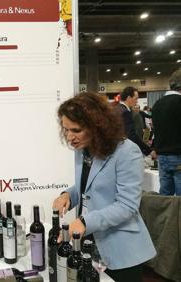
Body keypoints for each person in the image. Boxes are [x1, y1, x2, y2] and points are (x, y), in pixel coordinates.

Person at [53, 93, 156, 282]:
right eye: (66, 130)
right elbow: (88, 186)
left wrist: (84, 222)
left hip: (120, 250)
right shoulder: (82, 149)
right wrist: (68, 195)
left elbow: (127, 206)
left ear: (97, 126)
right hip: (89, 243)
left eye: (75, 130)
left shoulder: (127, 151)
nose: (69, 137)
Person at [152, 69, 181, 196]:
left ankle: (165, 217)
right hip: (178, 155)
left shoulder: (158, 103)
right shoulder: (178, 102)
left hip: (162, 157)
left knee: (165, 197)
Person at [116, 86, 156, 158]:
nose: (137, 101)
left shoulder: (117, 109)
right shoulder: (125, 112)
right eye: (136, 98)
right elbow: (131, 135)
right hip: (123, 150)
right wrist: (149, 151)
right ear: (129, 98)